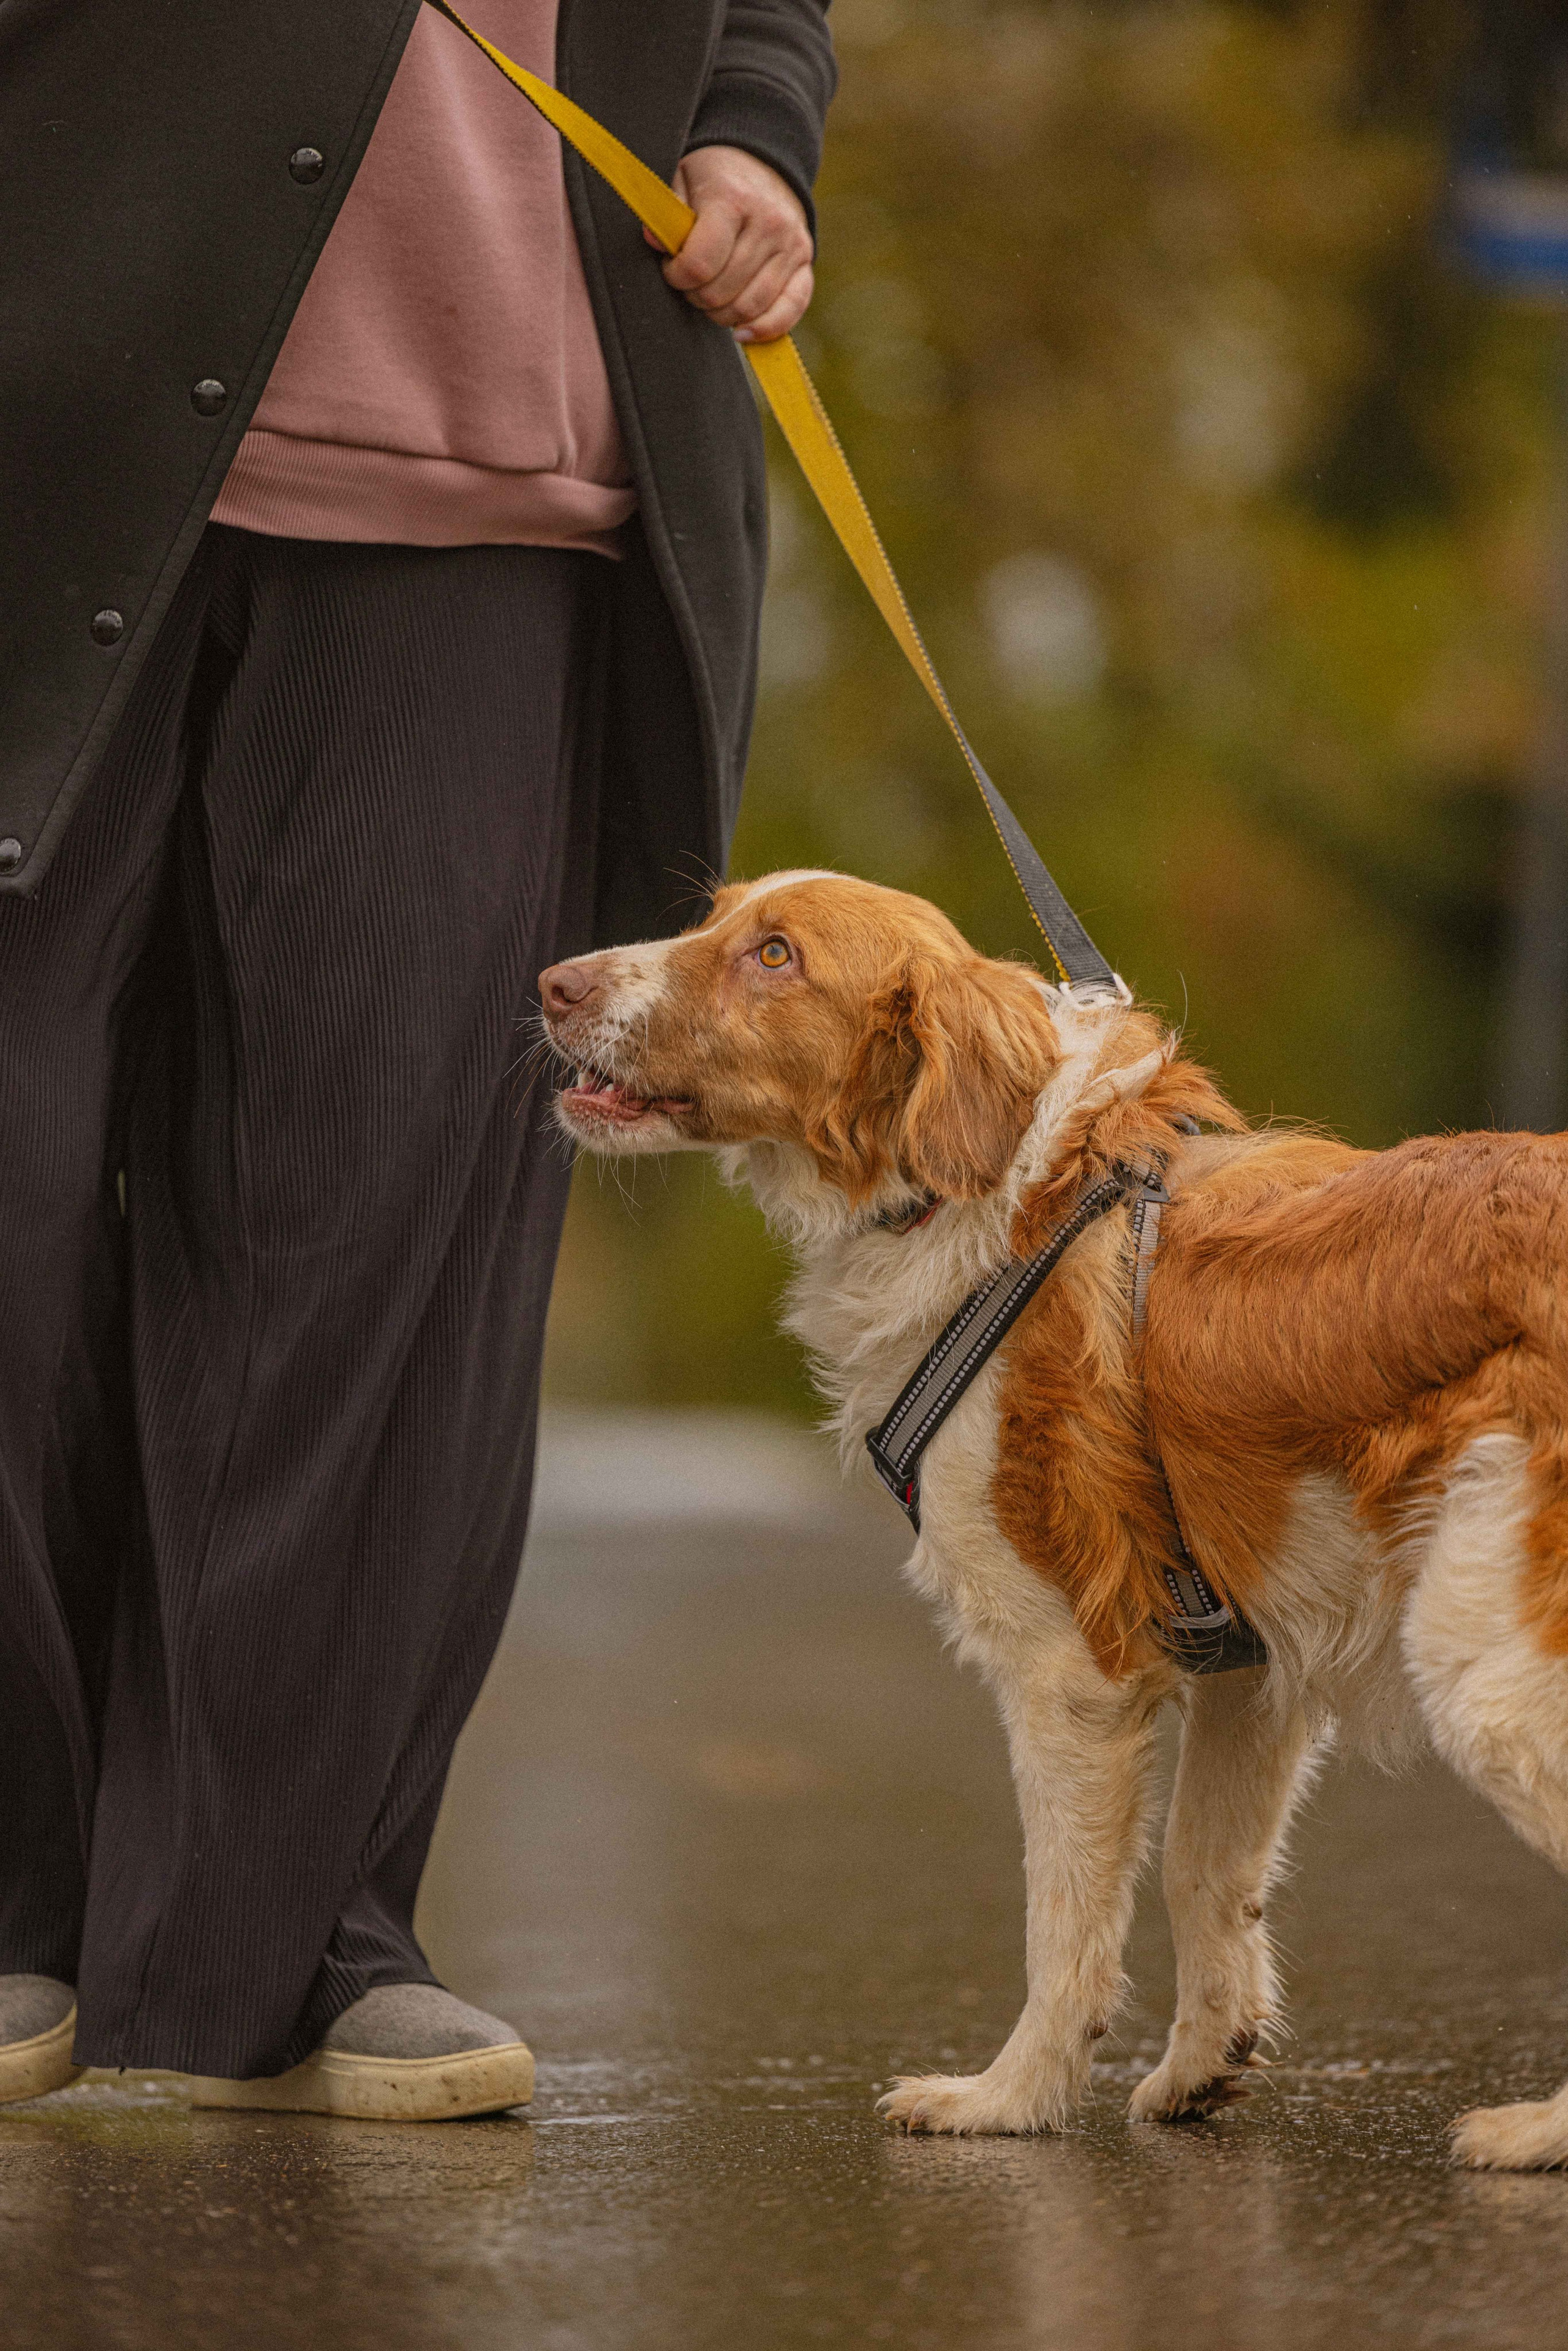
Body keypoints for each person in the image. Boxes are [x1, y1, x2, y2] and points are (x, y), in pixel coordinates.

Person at [0, 0, 835, 2118]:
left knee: (373, 1242)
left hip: (504, 493)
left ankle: (299, 1939)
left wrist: (751, 131)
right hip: (45, 430)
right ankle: (14, 1894)